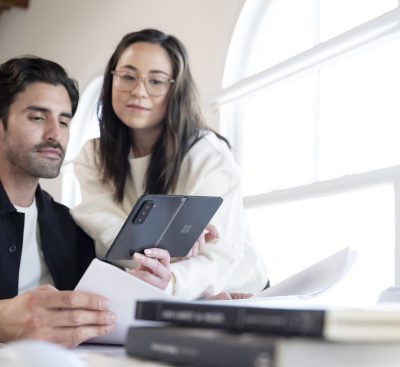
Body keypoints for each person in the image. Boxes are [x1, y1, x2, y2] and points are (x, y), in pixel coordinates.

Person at [71, 28, 268, 300]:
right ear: (111, 80)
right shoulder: (93, 155)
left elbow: (220, 254)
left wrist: (168, 277)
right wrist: (168, 249)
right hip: (151, 287)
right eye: (128, 77)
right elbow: (107, 233)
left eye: (156, 81)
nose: (139, 92)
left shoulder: (207, 153)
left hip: (235, 292)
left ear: (176, 89)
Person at [0, 56, 172, 347]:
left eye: (64, 121)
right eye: (37, 117)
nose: (56, 134)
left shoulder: (69, 225)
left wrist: (141, 285)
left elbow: (102, 306)